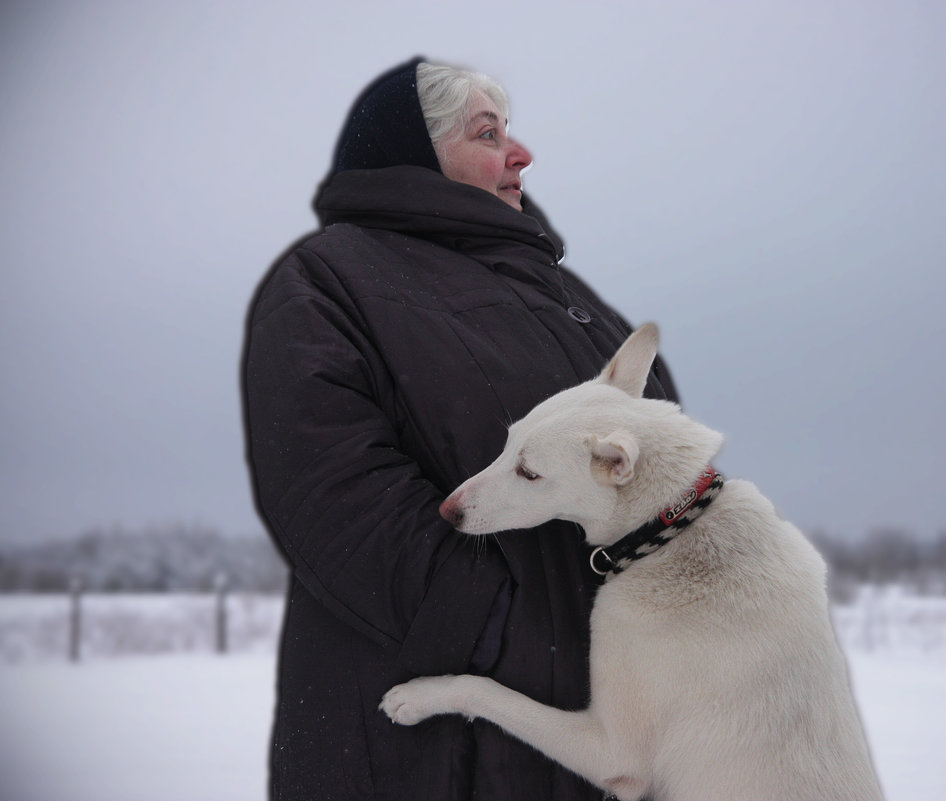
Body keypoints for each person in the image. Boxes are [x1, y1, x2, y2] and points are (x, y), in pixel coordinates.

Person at [241, 57, 679, 801]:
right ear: (415, 155)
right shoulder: (327, 280)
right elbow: (332, 489)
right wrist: (514, 626)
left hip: (615, 735)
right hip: (428, 752)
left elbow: (656, 464)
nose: (523, 153)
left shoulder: (568, 301)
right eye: (489, 133)